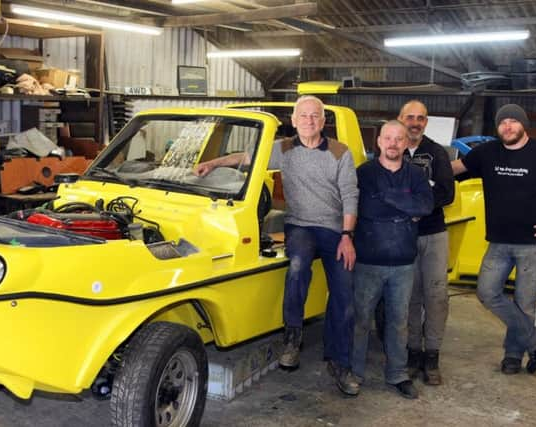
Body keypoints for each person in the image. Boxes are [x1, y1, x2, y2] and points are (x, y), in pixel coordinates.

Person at [195, 96, 360, 396]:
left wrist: (347, 236)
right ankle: (292, 338)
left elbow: (350, 195)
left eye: (316, 116)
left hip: (335, 228)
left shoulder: (340, 152)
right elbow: (247, 158)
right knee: (296, 267)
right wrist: (211, 163)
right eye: (304, 116)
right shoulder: (284, 149)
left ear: (323, 122)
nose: (310, 121)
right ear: (294, 121)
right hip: (299, 225)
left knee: (345, 295)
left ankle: (340, 363)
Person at [451, 104, 536, 375]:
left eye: (513, 121)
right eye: (502, 123)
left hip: (533, 243)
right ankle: (535, 339)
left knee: (524, 302)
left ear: (524, 125)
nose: (507, 126)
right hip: (498, 242)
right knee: (486, 292)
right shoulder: (486, 153)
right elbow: (456, 167)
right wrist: (415, 170)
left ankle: (512, 355)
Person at [352, 120, 433, 399]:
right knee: (360, 320)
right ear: (379, 142)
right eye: (388, 138)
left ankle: (397, 374)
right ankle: (354, 372)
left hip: (403, 263)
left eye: (399, 139)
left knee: (399, 322)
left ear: (405, 142)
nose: (393, 144)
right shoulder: (364, 173)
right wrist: (402, 204)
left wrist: (385, 197)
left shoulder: (416, 175)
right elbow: (365, 207)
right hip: (367, 261)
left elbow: (425, 206)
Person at [398, 100, 455, 385]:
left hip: (433, 234)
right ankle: (412, 352)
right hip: (402, 237)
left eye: (421, 118)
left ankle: (431, 356)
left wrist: (419, 208)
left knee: (436, 296)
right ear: (400, 119)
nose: (415, 122)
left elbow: (446, 193)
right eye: (410, 117)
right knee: (410, 297)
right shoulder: (392, 149)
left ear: (426, 123)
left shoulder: (436, 153)